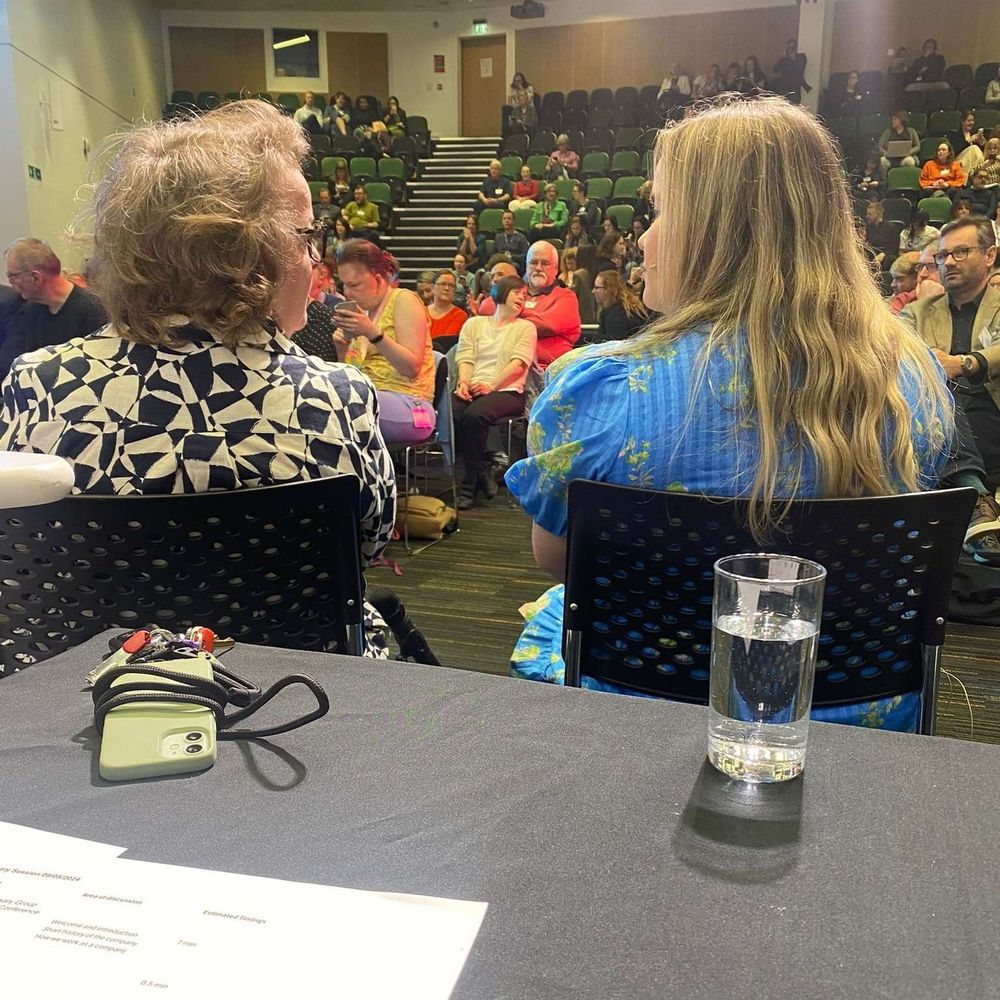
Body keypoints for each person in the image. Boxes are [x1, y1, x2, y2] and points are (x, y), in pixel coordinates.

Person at [505, 96, 955, 732]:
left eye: (659, 211)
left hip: (643, 716)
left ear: (714, 231)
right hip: (862, 722)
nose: (644, 236)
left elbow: (558, 559)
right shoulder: (914, 377)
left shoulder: (602, 389)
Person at [0, 101, 395, 656]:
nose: (314, 259)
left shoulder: (36, 385)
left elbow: (23, 571)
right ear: (249, 258)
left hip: (90, 698)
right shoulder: (335, 397)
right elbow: (370, 544)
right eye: (308, 236)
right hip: (302, 699)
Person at [901, 216, 1000, 494]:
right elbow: (902, 355)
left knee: (941, 382)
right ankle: (975, 496)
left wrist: (963, 363)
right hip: (930, 436)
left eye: (960, 252)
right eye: (942, 256)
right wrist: (935, 366)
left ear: (989, 255)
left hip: (991, 423)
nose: (949, 262)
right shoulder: (917, 311)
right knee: (938, 385)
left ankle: (970, 493)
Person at [333, 239, 436, 445]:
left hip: (413, 406)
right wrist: (342, 348)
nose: (347, 292)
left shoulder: (403, 299)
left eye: (354, 285)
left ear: (378, 279)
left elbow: (411, 367)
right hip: (371, 397)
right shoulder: (365, 315)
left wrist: (373, 334)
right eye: (343, 284)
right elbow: (354, 373)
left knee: (341, 403)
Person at [453, 275, 537, 510]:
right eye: (517, 292)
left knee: (475, 416)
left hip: (508, 391)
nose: (522, 297)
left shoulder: (526, 328)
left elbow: (519, 364)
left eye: (525, 295)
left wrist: (491, 385)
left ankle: (469, 482)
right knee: (452, 412)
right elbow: (465, 357)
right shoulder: (474, 324)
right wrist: (463, 382)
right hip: (475, 386)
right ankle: (481, 470)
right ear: (501, 292)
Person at [1, 238, 107, 379]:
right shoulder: (31, 311)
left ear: (36, 277)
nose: (10, 283)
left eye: (12, 276)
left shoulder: (93, 310)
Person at [592, 269, 648, 341]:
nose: (593, 291)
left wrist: (580, 337)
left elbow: (614, 341)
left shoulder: (617, 313)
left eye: (597, 288)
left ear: (609, 289)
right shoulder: (623, 308)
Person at [426, 269, 468, 352]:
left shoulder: (460, 315)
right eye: (443, 284)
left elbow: (446, 344)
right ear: (432, 287)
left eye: (451, 285)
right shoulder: (420, 311)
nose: (447, 288)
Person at [558, 247, 594, 324]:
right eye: (568, 264)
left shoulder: (581, 274)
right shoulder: (561, 276)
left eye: (572, 264)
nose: (570, 267)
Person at [771, 40, 811, 104]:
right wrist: (784, 57)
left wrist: (793, 58)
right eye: (789, 48)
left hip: (795, 89)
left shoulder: (801, 57)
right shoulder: (783, 60)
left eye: (792, 48)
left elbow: (800, 69)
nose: (790, 50)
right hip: (784, 88)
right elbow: (775, 71)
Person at [865, 199, 898, 270]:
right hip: (872, 255)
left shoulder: (891, 227)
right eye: (867, 214)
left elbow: (894, 248)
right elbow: (868, 246)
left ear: (878, 214)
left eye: (870, 214)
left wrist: (883, 254)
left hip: (887, 256)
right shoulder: (869, 227)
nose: (867, 216)